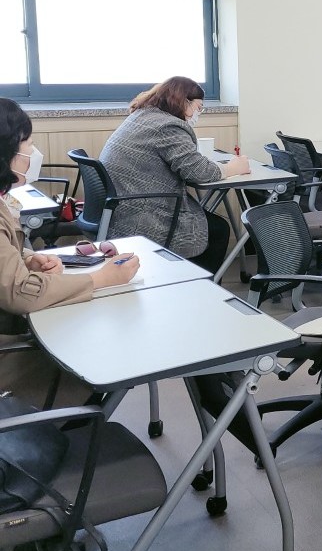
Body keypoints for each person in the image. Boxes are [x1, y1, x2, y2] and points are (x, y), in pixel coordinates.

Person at [0, 98, 140, 408]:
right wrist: (102, 278)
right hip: (8, 351)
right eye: (27, 145)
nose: (32, 155)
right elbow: (21, 292)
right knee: (102, 352)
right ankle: (66, 435)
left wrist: (26, 258)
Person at [100, 76, 250, 272]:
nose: (199, 113)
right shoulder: (168, 126)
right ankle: (198, 290)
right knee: (218, 230)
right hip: (143, 214)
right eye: (199, 107)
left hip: (119, 208)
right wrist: (234, 168)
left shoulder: (142, 116)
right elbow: (199, 172)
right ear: (184, 102)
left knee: (210, 223)